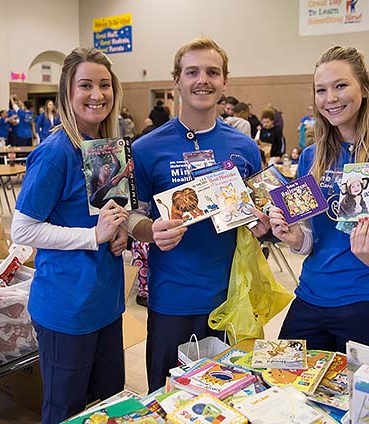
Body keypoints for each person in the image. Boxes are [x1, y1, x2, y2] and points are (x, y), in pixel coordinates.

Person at [269, 45, 369, 354]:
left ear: (364, 89)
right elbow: (311, 239)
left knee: (359, 402)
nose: (330, 98)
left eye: (341, 85)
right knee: (288, 392)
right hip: (310, 297)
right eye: (321, 90)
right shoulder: (311, 157)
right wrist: (294, 237)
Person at [129, 36, 267, 392]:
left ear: (225, 82)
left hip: (230, 299)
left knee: (226, 395)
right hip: (172, 298)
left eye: (212, 72)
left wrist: (266, 225)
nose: (202, 79)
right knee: (166, 396)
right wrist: (150, 230)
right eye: (192, 72)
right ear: (177, 80)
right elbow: (133, 216)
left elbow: (261, 213)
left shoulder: (245, 147)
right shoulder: (146, 148)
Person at [10, 47, 129, 424]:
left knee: (108, 407)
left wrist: (118, 233)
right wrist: (92, 236)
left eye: (105, 85)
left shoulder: (105, 148)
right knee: (65, 412)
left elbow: (106, 217)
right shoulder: (55, 153)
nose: (97, 94)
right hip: (66, 309)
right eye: (86, 85)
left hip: (106, 304)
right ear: (66, 92)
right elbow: (22, 229)